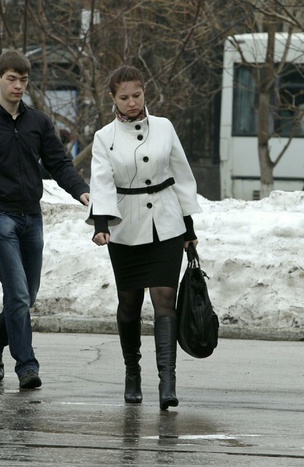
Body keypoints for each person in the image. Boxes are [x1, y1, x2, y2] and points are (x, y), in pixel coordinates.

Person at [0, 50, 90, 389]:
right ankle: (26, 365)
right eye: (11, 79)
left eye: (23, 80)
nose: (17, 86)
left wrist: (82, 192)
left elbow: (59, 164)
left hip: (32, 215)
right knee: (16, 294)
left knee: (27, 293)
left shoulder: (38, 123)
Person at [87, 65, 202, 410]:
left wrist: (189, 228)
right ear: (113, 99)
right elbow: (102, 182)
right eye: (124, 97)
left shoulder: (164, 127)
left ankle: (167, 382)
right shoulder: (103, 137)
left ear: (144, 92)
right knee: (130, 303)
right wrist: (101, 224)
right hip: (126, 226)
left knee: (165, 297)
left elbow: (181, 175)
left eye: (136, 95)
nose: (132, 102)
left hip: (166, 223)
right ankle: (132, 373)